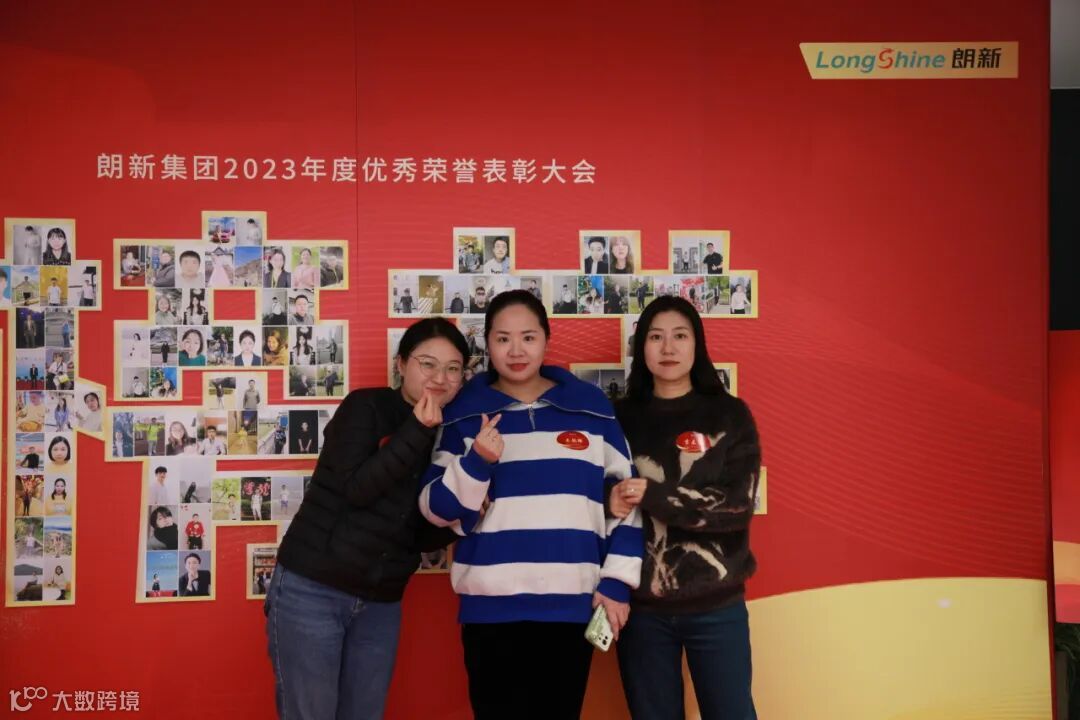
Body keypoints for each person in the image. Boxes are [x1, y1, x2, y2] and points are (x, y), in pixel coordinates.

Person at [418, 290, 643, 719]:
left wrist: (616, 582)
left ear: (546, 340)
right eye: (503, 339)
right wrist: (477, 461)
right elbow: (436, 508)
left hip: (570, 608)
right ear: (487, 344)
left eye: (528, 337)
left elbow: (627, 499)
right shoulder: (463, 414)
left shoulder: (591, 408)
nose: (516, 351)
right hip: (490, 613)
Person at [268, 318, 468, 719]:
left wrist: (465, 509)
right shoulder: (366, 407)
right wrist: (417, 429)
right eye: (428, 364)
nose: (440, 378)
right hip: (313, 591)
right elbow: (355, 489)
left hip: (381, 602)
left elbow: (418, 535)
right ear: (401, 364)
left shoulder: (448, 434)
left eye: (453, 369)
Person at [608, 296, 761, 720]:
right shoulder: (618, 418)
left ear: (697, 344)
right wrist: (609, 500)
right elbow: (595, 493)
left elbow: (737, 506)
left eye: (680, 336)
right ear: (642, 347)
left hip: (717, 605)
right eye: (656, 337)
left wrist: (652, 494)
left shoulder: (729, 415)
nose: (668, 347)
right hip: (641, 610)